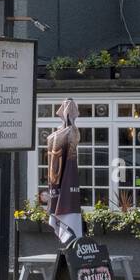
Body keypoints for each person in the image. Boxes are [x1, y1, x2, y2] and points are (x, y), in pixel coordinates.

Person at [45, 98, 83, 244]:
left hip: (63, 183)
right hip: (62, 184)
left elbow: (74, 135)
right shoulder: (62, 135)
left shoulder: (69, 133)